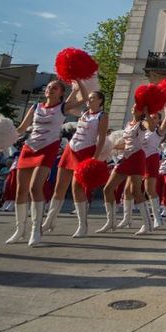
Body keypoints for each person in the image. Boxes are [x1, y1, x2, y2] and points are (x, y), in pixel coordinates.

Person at [7, 80, 85, 247]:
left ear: (61, 93)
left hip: (47, 148)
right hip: (29, 148)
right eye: (49, 87)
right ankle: (20, 230)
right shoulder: (35, 107)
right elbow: (22, 128)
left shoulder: (62, 107)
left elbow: (84, 98)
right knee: (20, 191)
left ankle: (36, 230)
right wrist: (3, 136)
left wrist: (79, 81)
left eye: (55, 88)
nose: (50, 89)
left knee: (35, 187)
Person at [42, 88, 109, 237]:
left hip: (86, 151)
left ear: (100, 101)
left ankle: (82, 225)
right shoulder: (83, 112)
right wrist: (76, 88)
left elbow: (102, 138)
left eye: (92, 98)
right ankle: (49, 220)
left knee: (76, 189)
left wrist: (94, 158)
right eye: (89, 98)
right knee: (59, 187)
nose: (89, 100)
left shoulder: (102, 116)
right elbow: (67, 105)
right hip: (70, 150)